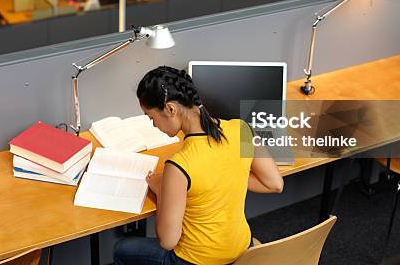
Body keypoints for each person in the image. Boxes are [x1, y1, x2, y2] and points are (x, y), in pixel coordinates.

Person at [114, 66, 284, 265]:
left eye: (152, 118)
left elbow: (168, 242)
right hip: (241, 249)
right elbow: (274, 184)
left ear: (170, 109)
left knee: (121, 249)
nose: (154, 125)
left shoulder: (179, 165)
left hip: (197, 260)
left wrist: (163, 190)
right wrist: (225, 173)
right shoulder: (242, 130)